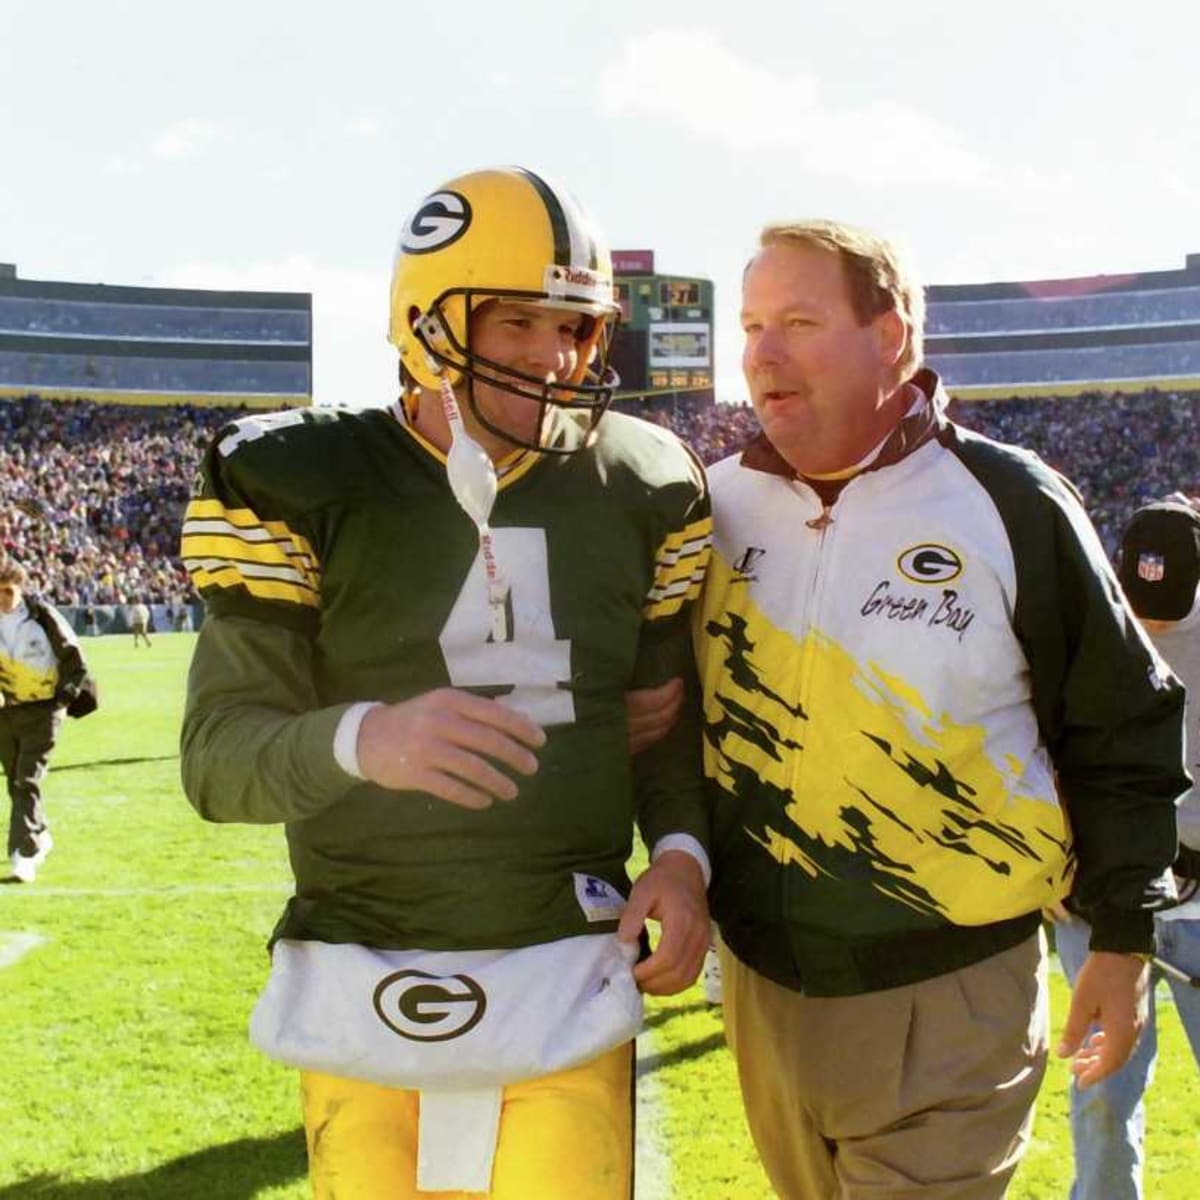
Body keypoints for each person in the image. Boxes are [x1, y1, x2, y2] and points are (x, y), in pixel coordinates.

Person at [179, 166, 712, 1200]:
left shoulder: (644, 481)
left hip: (569, 953)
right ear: (422, 321)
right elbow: (217, 763)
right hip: (362, 956)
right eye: (516, 322)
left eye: (574, 327)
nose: (553, 355)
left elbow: (656, 728)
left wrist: (683, 855)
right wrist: (366, 739)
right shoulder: (301, 477)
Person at [632, 219, 1187, 1198]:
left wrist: (1121, 934)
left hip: (954, 989)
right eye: (753, 323)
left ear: (889, 337)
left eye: (798, 320)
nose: (760, 351)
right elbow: (667, 724)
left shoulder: (1010, 501)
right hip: (762, 984)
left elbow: (1122, 723)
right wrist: (678, 854)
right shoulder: (704, 509)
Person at [1054, 493, 1200, 1199]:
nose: (1153, 623)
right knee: (1102, 1096)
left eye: (1172, 603)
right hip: (1103, 907)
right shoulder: (1084, 624)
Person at [0, 557, 92, 883]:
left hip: (43, 711)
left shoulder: (43, 617)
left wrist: (63, 699)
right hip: (7, 712)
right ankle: (39, 834)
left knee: (27, 780)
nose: (3, 599)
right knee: (15, 782)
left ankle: (22, 858)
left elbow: (74, 657)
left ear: (21, 589)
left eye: (8, 592)